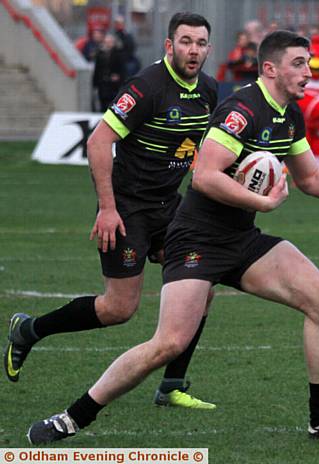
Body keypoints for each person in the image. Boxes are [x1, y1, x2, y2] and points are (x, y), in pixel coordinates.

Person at [26, 29, 319, 445]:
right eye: (299, 64)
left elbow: (310, 178)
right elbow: (206, 175)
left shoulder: (289, 114)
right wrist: (263, 203)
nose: (309, 72)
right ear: (270, 68)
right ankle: (71, 419)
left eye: (309, 64)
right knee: (168, 343)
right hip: (195, 239)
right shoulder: (241, 110)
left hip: (241, 239)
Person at [4, 12, 218, 410]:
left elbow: (197, 147)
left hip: (170, 207)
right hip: (128, 209)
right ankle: (29, 330)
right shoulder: (146, 87)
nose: (194, 50)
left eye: (201, 43)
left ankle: (171, 385)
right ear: (169, 45)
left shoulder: (208, 89)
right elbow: (99, 143)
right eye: (185, 41)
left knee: (200, 284)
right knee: (119, 308)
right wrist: (107, 208)